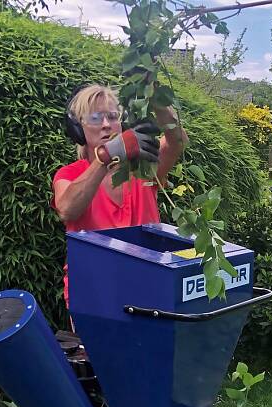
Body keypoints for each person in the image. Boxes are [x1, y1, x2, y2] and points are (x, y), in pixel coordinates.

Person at [51, 84, 188, 304]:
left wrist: (157, 100)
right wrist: (105, 157)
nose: (106, 125)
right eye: (95, 118)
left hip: (149, 288)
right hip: (93, 295)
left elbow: (177, 141)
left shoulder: (143, 169)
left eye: (113, 117)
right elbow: (67, 209)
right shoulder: (69, 174)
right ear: (78, 129)